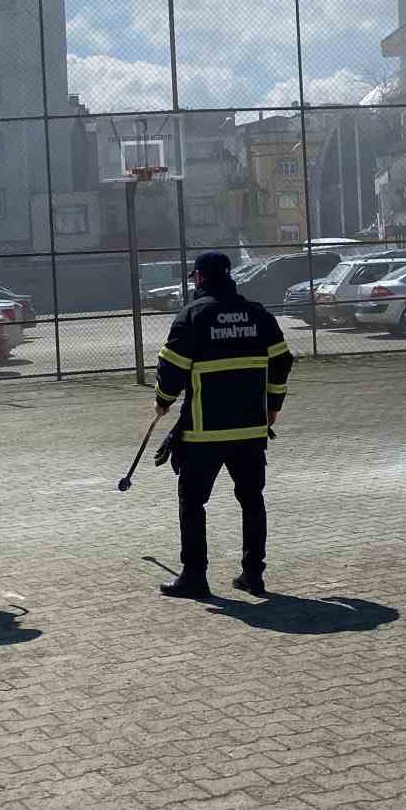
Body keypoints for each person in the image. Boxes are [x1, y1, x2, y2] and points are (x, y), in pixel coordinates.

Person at [153, 250, 293, 599]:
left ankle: (194, 577)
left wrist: (163, 401)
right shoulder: (257, 313)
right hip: (250, 429)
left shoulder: (193, 316)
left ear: (199, 278)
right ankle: (253, 575)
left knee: (192, 501)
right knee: (251, 499)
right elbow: (282, 360)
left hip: (205, 431)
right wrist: (272, 406)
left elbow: (171, 369)